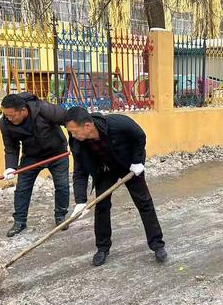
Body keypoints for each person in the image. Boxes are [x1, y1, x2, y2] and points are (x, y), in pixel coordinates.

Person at [65, 106, 166, 266]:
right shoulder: (77, 141)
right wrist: (80, 201)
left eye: (74, 131)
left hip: (129, 166)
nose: (72, 135)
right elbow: (80, 170)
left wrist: (137, 161)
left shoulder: (118, 124)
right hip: (105, 169)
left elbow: (140, 136)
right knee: (102, 205)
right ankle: (102, 248)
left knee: (144, 202)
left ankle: (157, 244)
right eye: (70, 132)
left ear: (87, 126)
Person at [0, 93, 69, 237]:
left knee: (62, 185)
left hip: (57, 152)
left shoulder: (43, 109)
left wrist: (78, 144)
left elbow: (69, 119)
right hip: (31, 156)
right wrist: (11, 167)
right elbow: (11, 146)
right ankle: (19, 221)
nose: (8, 118)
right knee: (22, 188)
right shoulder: (4, 123)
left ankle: (60, 216)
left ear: (23, 110)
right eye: (6, 115)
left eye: (12, 115)